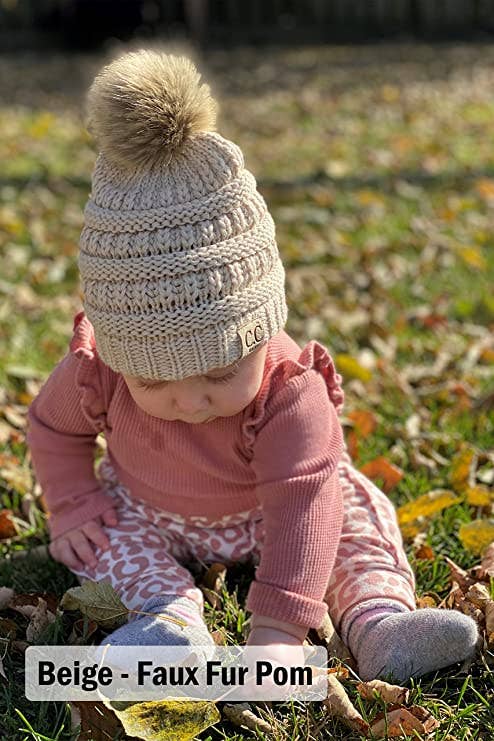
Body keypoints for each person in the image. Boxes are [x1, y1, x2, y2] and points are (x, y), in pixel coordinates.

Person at [26, 49, 478, 684]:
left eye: (217, 373)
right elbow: (52, 428)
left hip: (284, 515)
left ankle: (379, 621)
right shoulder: (96, 370)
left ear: (259, 333)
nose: (190, 400)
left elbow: (301, 504)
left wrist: (278, 632)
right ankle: (168, 623)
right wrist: (72, 504)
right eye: (153, 379)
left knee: (348, 522)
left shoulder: (289, 391)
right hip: (150, 510)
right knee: (104, 540)